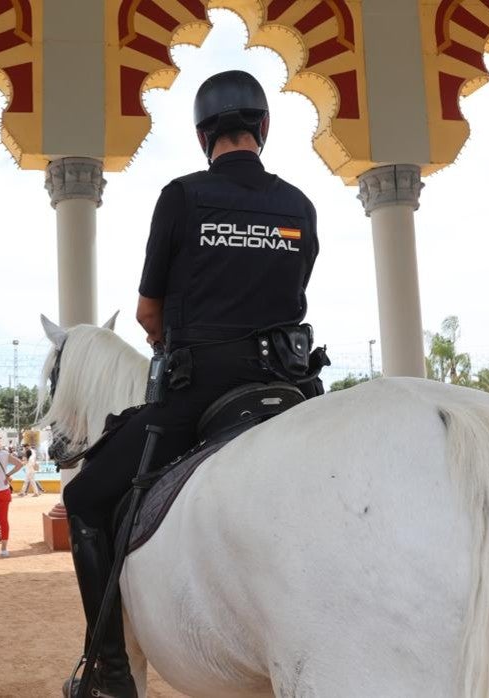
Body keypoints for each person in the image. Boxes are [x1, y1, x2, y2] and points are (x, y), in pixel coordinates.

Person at [60, 70, 325, 697]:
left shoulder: (182, 197)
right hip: (288, 391)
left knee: (86, 501)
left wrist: (171, 339)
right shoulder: (299, 205)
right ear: (263, 128)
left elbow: (149, 312)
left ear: (204, 135)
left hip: (201, 390)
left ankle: (110, 671)